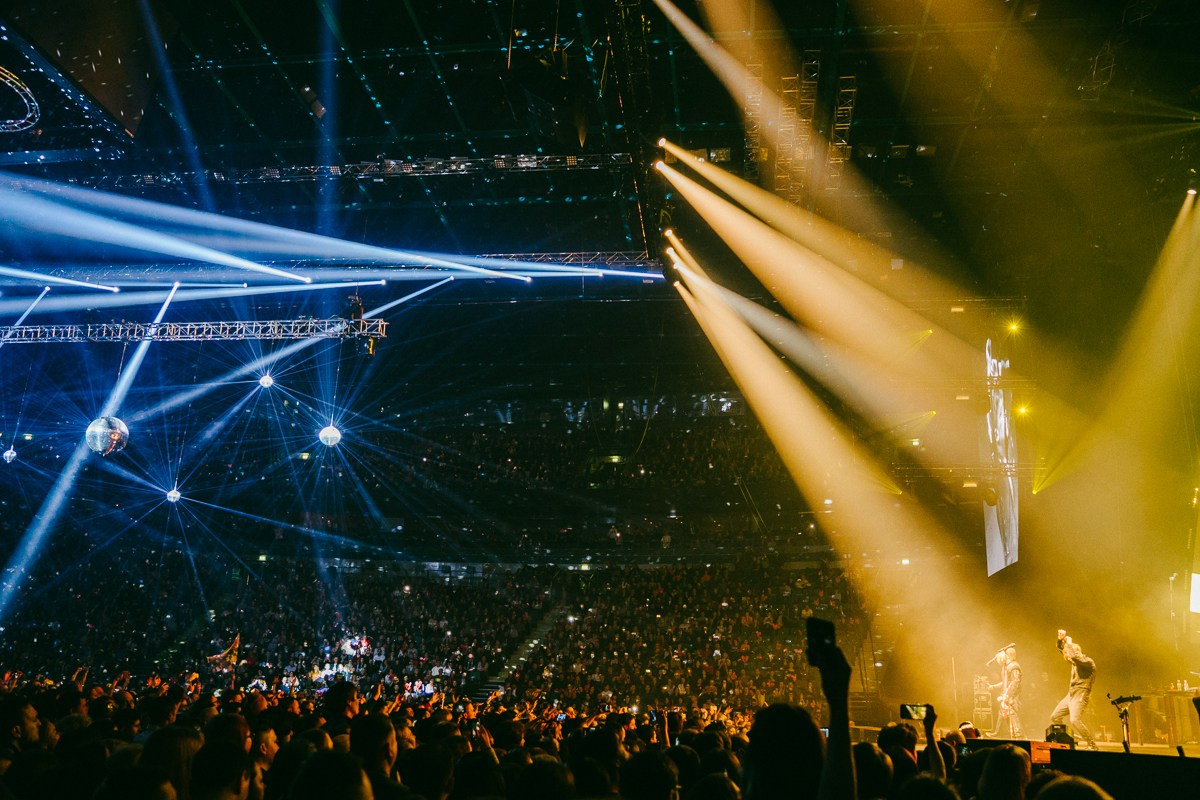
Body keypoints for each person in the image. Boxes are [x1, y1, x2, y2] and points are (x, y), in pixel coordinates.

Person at [1048, 630, 1097, 750]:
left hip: (1081, 693)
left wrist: (1069, 642)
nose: (1067, 656)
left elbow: (1074, 656)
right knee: (1055, 717)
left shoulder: (1087, 662)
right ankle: (1071, 736)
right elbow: (1064, 652)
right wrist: (1061, 640)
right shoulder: (1074, 661)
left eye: (1070, 653)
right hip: (1070, 695)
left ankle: (1092, 745)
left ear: (1077, 652)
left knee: (1075, 720)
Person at [989, 646, 1023, 738]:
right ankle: (998, 732)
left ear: (1007, 656)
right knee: (1002, 712)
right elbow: (1005, 682)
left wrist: (1007, 695)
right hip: (1007, 694)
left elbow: (1015, 682)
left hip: (1012, 695)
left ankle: (1019, 735)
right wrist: (994, 687)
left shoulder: (1014, 666)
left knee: (1012, 713)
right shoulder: (1007, 667)